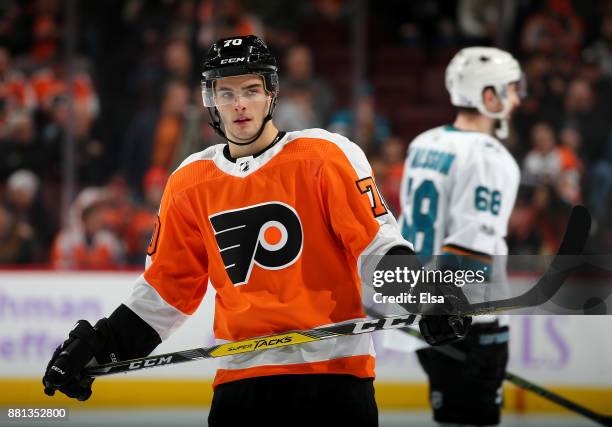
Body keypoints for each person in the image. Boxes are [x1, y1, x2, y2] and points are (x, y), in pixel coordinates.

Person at [42, 35, 470, 426]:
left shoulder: (325, 156)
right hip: (243, 383)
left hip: (333, 378)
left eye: (250, 90)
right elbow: (166, 291)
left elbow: (375, 245)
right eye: (226, 93)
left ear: (271, 94)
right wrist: (101, 345)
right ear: (211, 100)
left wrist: (423, 293)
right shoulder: (189, 182)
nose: (239, 104)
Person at [390, 47, 522, 426]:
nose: (516, 99)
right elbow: (469, 249)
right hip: (466, 320)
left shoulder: (424, 143)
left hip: (429, 315)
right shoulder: (489, 157)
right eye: (510, 89)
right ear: (488, 96)